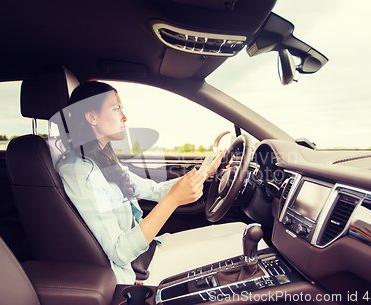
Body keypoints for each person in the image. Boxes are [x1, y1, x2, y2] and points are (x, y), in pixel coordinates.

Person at [50, 81, 251, 285]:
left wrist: (205, 172)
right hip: (139, 272)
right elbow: (120, 252)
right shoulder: (80, 171)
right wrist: (173, 200)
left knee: (241, 230)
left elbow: (153, 190)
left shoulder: (101, 159)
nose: (124, 116)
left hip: (148, 250)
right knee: (247, 244)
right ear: (92, 117)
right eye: (115, 108)